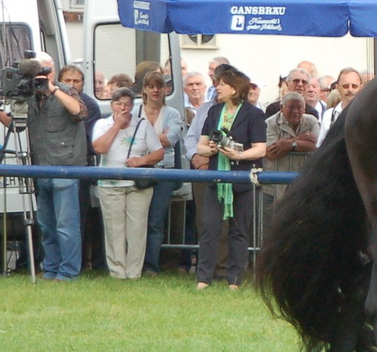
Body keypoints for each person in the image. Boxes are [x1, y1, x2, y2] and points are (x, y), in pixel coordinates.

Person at [0, 56, 87, 280]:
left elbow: (80, 112)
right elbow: (16, 125)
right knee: (46, 225)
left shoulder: (66, 90)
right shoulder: (30, 96)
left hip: (66, 167)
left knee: (66, 225)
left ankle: (68, 272)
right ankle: (51, 268)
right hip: (40, 167)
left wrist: (53, 89)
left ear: (50, 73)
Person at [194, 64, 268, 290]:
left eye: (223, 84)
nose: (218, 87)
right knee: (210, 228)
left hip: (242, 178)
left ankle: (235, 279)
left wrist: (239, 154)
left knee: (239, 230)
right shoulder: (213, 112)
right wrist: (213, 150)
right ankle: (203, 278)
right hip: (217, 177)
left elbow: (261, 149)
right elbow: (201, 146)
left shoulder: (254, 114)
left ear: (235, 89)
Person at [90, 86, 164, 279]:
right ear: (112, 105)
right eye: (118, 103)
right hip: (109, 185)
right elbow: (99, 148)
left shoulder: (143, 125)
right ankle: (117, 273)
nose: (123, 108)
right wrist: (116, 126)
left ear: (133, 106)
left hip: (137, 186)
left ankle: (134, 273)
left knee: (137, 229)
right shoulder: (102, 124)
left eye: (127, 104)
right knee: (114, 230)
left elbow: (158, 152)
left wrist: (141, 161)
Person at [137, 70, 186, 274]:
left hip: (164, 171)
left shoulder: (172, 113)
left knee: (156, 221)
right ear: (144, 89)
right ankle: (135, 264)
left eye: (159, 86)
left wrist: (145, 138)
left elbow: (171, 139)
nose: (156, 90)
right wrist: (158, 137)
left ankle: (151, 266)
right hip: (138, 170)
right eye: (151, 86)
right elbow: (130, 139)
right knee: (137, 220)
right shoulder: (134, 111)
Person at [260, 89, 319, 225]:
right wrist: (299, 140)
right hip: (273, 186)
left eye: (299, 108)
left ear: (305, 109)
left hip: (302, 186)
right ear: (281, 108)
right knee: (270, 227)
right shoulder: (270, 123)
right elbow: (271, 153)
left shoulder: (311, 121)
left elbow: (314, 146)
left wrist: (287, 144)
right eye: (291, 107)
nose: (295, 111)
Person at [316, 67, 364, 146]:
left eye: (354, 86)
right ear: (338, 88)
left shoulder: (367, 114)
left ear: (361, 87)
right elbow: (321, 145)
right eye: (345, 86)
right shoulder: (329, 115)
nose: (350, 89)